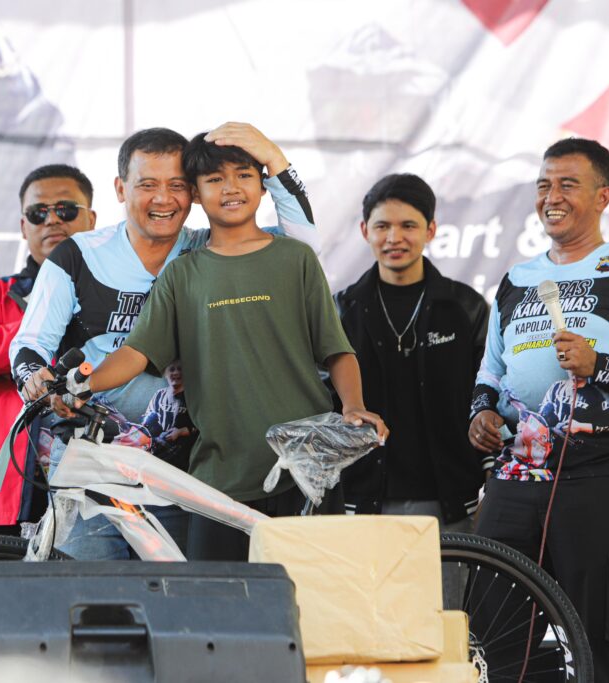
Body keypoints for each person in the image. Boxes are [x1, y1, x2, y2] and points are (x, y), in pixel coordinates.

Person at [55, 132, 388, 562]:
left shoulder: (296, 258)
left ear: (262, 186)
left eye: (244, 175)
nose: (231, 188)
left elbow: (336, 349)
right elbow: (136, 353)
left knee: (310, 597)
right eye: (215, 179)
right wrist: (85, 382)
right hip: (217, 481)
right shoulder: (181, 275)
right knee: (217, 600)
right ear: (195, 194)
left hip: (306, 468)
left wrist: (354, 405)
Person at [12, 123, 318, 560]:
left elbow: (303, 245)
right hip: (91, 468)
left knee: (179, 597)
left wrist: (274, 159)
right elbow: (30, 344)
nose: (163, 199)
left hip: (186, 470)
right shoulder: (77, 255)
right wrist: (35, 380)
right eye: (147, 185)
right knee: (84, 595)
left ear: (193, 193)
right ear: (120, 189)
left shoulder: (211, 250)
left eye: (176, 185)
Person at [468, 138, 609, 682]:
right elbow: (490, 371)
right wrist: (481, 412)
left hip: (602, 478)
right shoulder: (516, 279)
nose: (552, 196)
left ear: (603, 196)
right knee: (491, 629)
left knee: (599, 638)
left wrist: (600, 365)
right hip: (517, 476)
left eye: (567, 184)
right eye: (544, 185)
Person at [335, 174, 489, 530]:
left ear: (430, 230)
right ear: (364, 231)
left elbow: (487, 396)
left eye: (408, 226)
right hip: (361, 500)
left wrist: (490, 478)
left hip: (452, 502)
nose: (394, 238)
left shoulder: (465, 307)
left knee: (450, 574)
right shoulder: (341, 310)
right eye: (382, 226)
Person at [0, 164, 97, 537]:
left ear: (92, 219)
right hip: (6, 493)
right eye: (38, 213)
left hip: (97, 484)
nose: (52, 220)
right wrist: (40, 329)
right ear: (24, 226)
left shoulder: (116, 289)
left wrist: (5, 340)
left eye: (66, 209)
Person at [140, 361, 197, 470]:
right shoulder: (159, 395)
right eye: (171, 369)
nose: (175, 373)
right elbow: (148, 418)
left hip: (180, 454)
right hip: (156, 448)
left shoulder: (192, 398)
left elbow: (198, 428)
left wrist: (180, 432)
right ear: (165, 374)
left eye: (180, 369)